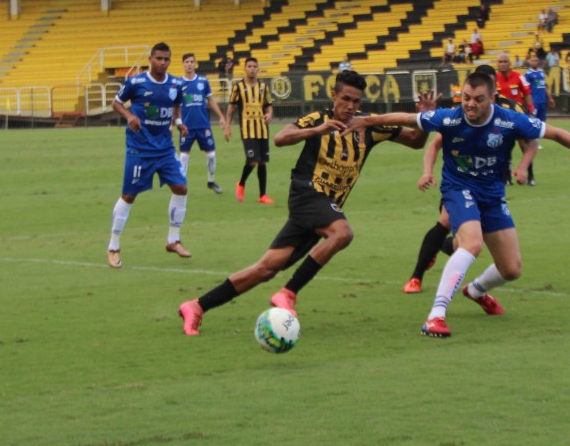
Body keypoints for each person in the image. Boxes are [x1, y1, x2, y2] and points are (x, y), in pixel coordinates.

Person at [362, 67, 570, 338]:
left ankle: (476, 290)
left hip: (492, 194)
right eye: (465, 97)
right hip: (458, 188)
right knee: (472, 244)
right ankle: (435, 315)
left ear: (492, 99)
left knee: (511, 269)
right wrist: (366, 121)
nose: (470, 104)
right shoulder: (450, 119)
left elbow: (556, 133)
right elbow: (406, 118)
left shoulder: (510, 120)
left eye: (477, 99)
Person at [178, 73, 435, 335]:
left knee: (266, 268)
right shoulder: (318, 119)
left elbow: (415, 142)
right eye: (345, 99)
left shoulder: (368, 125)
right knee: (342, 233)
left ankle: (196, 306)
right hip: (307, 194)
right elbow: (280, 138)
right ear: (334, 96)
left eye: (355, 101)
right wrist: (316, 131)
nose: (350, 106)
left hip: (324, 208)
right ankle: (289, 292)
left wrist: (424, 119)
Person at [107, 42, 189, 267]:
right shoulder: (136, 82)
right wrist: (129, 116)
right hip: (139, 149)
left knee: (181, 187)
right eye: (159, 58)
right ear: (151, 59)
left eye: (166, 59)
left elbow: (177, 106)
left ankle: (173, 240)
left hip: (164, 148)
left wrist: (179, 123)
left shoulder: (175, 84)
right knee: (129, 195)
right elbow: (116, 103)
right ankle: (113, 246)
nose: (163, 63)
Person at [224, 56, 274, 204]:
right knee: (252, 160)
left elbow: (269, 105)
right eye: (249, 66)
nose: (252, 69)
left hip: (262, 129)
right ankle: (241, 183)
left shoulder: (263, 87)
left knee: (262, 162)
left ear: (258, 69)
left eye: (254, 66)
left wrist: (269, 114)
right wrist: (227, 126)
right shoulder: (238, 87)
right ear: (245, 68)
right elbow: (231, 107)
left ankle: (262, 195)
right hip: (247, 129)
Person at [176, 53, 223, 195]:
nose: (189, 64)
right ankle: (181, 184)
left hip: (203, 126)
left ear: (195, 64)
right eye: (187, 62)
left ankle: (211, 181)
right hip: (186, 127)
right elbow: (176, 107)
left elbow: (211, 100)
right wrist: (174, 123)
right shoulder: (179, 84)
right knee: (184, 157)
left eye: (191, 61)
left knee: (211, 155)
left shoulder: (203, 81)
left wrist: (221, 116)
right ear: (183, 64)